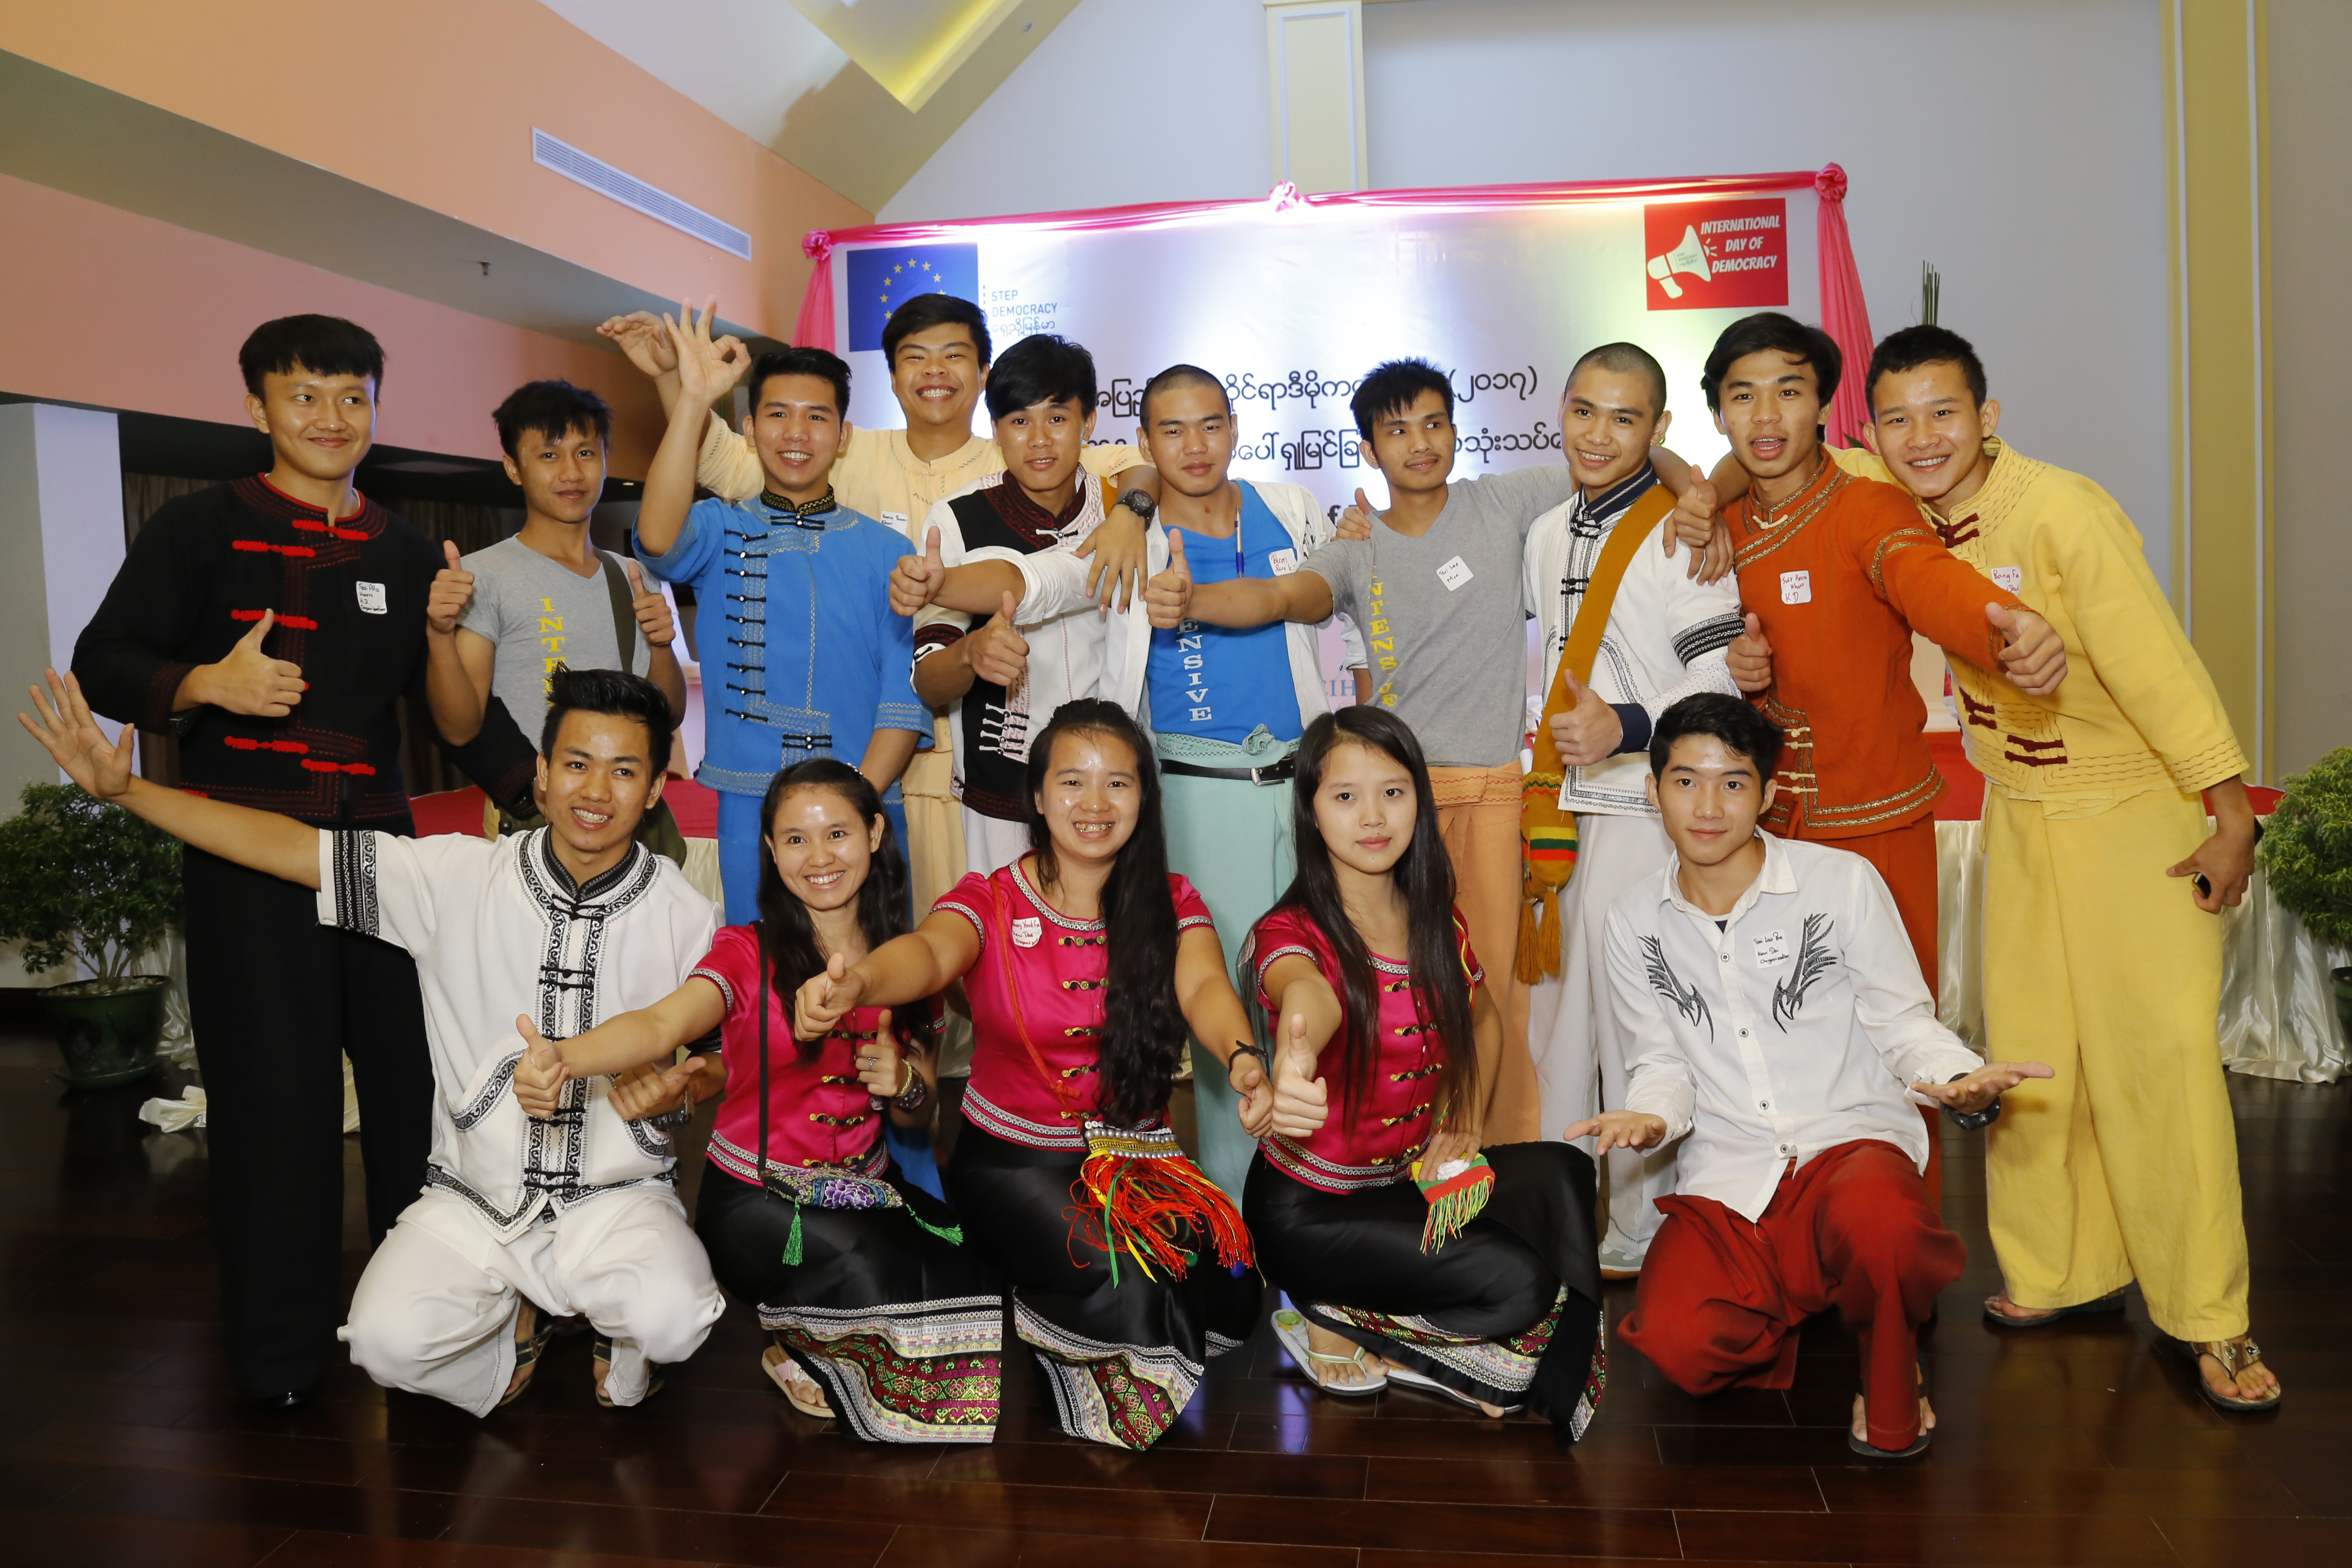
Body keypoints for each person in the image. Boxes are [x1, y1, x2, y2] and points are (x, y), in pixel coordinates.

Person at [24, 666, 725, 1416]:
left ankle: (618, 1333)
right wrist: (127, 792)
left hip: (616, 1198)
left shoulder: (686, 915)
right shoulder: (455, 877)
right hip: (476, 1201)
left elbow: (715, 1063)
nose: (596, 792)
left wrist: (684, 1086)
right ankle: (509, 1323)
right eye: (578, 765)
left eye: (624, 772)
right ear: (544, 776)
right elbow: (292, 849)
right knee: (383, 1344)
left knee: (675, 1319)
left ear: (654, 790)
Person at [66, 314, 536, 1406]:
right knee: (273, 1111)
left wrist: (546, 792)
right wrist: (204, 687)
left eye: (353, 397)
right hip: (246, 863)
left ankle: (424, 1331)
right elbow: (105, 658)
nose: (332, 419)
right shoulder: (200, 529)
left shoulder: (411, 550)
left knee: (417, 1099)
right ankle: (278, 1359)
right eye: (305, 396)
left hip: (382, 862)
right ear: (257, 407)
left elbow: (463, 725)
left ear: (376, 406)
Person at [1827, 326, 2274, 1410]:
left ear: (1985, 416)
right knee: (2030, 1051)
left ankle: (2210, 1318)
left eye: (1942, 412)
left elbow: (2156, 665)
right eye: (1895, 419)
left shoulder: (2060, 509)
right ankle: (2058, 1270)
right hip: (2020, 814)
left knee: (2158, 1058)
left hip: (2134, 811)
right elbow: (1775, 442)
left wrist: (2227, 813)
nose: (1920, 437)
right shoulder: (1887, 504)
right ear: (1871, 435)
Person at [1179, 359, 1708, 1141]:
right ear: (1366, 448)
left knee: (1495, 989)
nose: (1418, 444)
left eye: (1432, 424)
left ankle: (1495, 1159)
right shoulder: (1353, 547)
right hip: (1392, 808)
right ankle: (1397, 1146)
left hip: (1494, 794)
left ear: (1456, 431)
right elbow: (1278, 597)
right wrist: (1189, 600)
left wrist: (1695, 494)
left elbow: (1619, 453)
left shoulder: (1502, 500)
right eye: (1395, 431)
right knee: (1398, 987)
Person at [887, 362, 1367, 1195]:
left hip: (1297, 785)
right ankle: (1237, 1201)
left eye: (1210, 425)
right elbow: (1027, 582)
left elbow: (1326, 593)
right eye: (1170, 431)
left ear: (1234, 428)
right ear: (1141, 444)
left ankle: (1336, 1187)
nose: (1193, 446)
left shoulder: (1285, 507)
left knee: (1319, 981)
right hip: (1187, 789)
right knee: (1216, 994)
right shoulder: (1121, 537)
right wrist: (940, 584)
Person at [791, 700, 1270, 1449]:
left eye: (1118, 783)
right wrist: (861, 983)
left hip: (1136, 1159)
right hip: (1015, 1161)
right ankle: (1039, 1309)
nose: (1095, 804)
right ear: (1039, 798)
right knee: (1138, 1288)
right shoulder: (990, 897)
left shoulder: (1171, 901)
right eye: (1072, 782)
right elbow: (928, 954)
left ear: (1144, 797)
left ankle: (1043, 1295)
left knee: (1232, 1287)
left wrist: (1244, 1059)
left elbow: (1206, 988)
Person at [1584, 694, 2052, 1457]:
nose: (1706, 806)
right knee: (1677, 1343)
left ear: (1768, 795)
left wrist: (1956, 1078)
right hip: (1730, 1168)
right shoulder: (1632, 917)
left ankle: (1890, 1372)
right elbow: (1658, 1062)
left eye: (1732, 783)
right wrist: (1650, 1119)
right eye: (1683, 781)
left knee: (1887, 1231)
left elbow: (1902, 1022)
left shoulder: (1840, 882)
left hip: (1848, 1145)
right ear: (1651, 790)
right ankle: (1818, 1292)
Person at [600, 292, 1160, 920]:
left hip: (961, 767)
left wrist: (1131, 515)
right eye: (916, 356)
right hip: (823, 779)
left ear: (983, 375)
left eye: (955, 356)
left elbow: (1140, 463)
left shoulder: (1017, 455)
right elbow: (687, 500)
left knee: (948, 955)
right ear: (890, 375)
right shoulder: (825, 469)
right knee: (772, 965)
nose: (935, 371)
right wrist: (688, 390)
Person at [508, 758, 1004, 1441]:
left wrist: (908, 1084)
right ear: (770, 851)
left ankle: (828, 1337)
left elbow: (921, 1117)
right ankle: (797, 1343)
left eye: (838, 834)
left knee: (967, 1265)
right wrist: (564, 1057)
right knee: (872, 1266)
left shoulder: (908, 963)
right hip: (757, 1202)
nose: (819, 857)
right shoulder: (745, 952)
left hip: (861, 1192)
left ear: (876, 834)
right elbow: (660, 1025)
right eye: (795, 839)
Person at [1697, 313, 2072, 1203]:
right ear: (1715, 412)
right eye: (1741, 394)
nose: (1764, 415)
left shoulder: (1867, 508)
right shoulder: (1722, 523)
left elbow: (1924, 580)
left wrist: (2002, 622)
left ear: (1823, 406)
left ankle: (1902, 1245)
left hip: (1876, 822)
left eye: (1788, 390)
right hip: (1766, 836)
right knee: (1781, 1039)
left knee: (1897, 1036)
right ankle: (1799, 1229)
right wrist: (1736, 667)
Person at [1243, 706, 1606, 1437]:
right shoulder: (1289, 933)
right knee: (1524, 1281)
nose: (1373, 817)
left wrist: (1466, 1117)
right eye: (1345, 797)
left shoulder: (1435, 917)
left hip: (1408, 1185)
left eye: (1394, 792)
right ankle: (1335, 1313)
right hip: (1313, 1215)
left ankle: (1476, 1346)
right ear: (1311, 813)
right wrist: (1297, 1047)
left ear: (1420, 801)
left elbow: (1485, 1019)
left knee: (1566, 1175)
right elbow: (1303, 992)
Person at [1521, 343, 1744, 1279]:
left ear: (1658, 431)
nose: (1598, 434)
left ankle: (1641, 1221)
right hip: (1556, 813)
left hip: (1642, 811)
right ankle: (1560, 1203)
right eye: (1583, 411)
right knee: (1554, 1019)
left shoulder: (1682, 534)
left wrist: (1626, 726)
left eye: (1624, 418)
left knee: (1635, 1020)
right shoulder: (1540, 532)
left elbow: (1723, 677)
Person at [631, 312, 931, 925]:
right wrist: (691, 399)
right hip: (751, 798)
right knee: (763, 970)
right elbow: (657, 539)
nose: (797, 432)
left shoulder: (888, 552)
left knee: (874, 977)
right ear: (748, 428)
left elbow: (904, 701)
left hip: (865, 802)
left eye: (817, 416)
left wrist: (855, 806)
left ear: (843, 435)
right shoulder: (721, 528)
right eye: (777, 414)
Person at [903, 334, 1159, 878]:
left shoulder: (1123, 510)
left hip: (1107, 784)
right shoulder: (957, 519)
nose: (1039, 441)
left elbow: (1151, 470)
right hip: (1002, 789)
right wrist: (971, 653)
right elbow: (927, 682)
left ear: (1089, 423)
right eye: (1019, 422)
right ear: (995, 431)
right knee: (1007, 948)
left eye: (1057, 419)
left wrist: (1133, 510)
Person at [425, 378, 688, 856]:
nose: (571, 471)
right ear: (513, 467)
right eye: (548, 456)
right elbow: (460, 728)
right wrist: (440, 635)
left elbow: (666, 716)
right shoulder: (483, 575)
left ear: (606, 460)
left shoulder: (632, 574)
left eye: (586, 453)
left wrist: (660, 646)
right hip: (534, 820)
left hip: (625, 820)